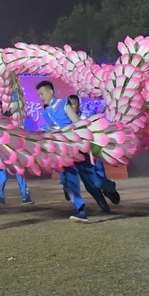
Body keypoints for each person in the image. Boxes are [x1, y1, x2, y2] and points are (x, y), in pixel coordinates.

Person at [37, 81, 94, 222]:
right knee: (70, 180)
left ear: (51, 92)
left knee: (93, 181)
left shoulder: (64, 104)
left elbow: (77, 122)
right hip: (64, 151)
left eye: (42, 93)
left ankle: (108, 188)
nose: (40, 96)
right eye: (38, 94)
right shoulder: (45, 113)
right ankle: (81, 210)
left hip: (77, 145)